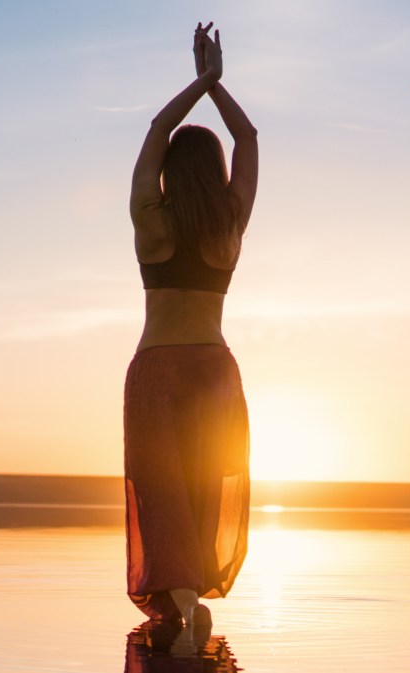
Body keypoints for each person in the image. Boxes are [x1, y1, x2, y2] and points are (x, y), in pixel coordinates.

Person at [123, 22, 259, 629]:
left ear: (172, 173)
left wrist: (197, 81)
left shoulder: (150, 217)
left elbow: (156, 131)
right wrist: (218, 86)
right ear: (215, 173)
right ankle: (192, 595)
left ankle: (177, 603)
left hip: (158, 368)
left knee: (161, 489)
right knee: (207, 483)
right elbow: (248, 137)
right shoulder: (229, 224)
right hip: (213, 367)